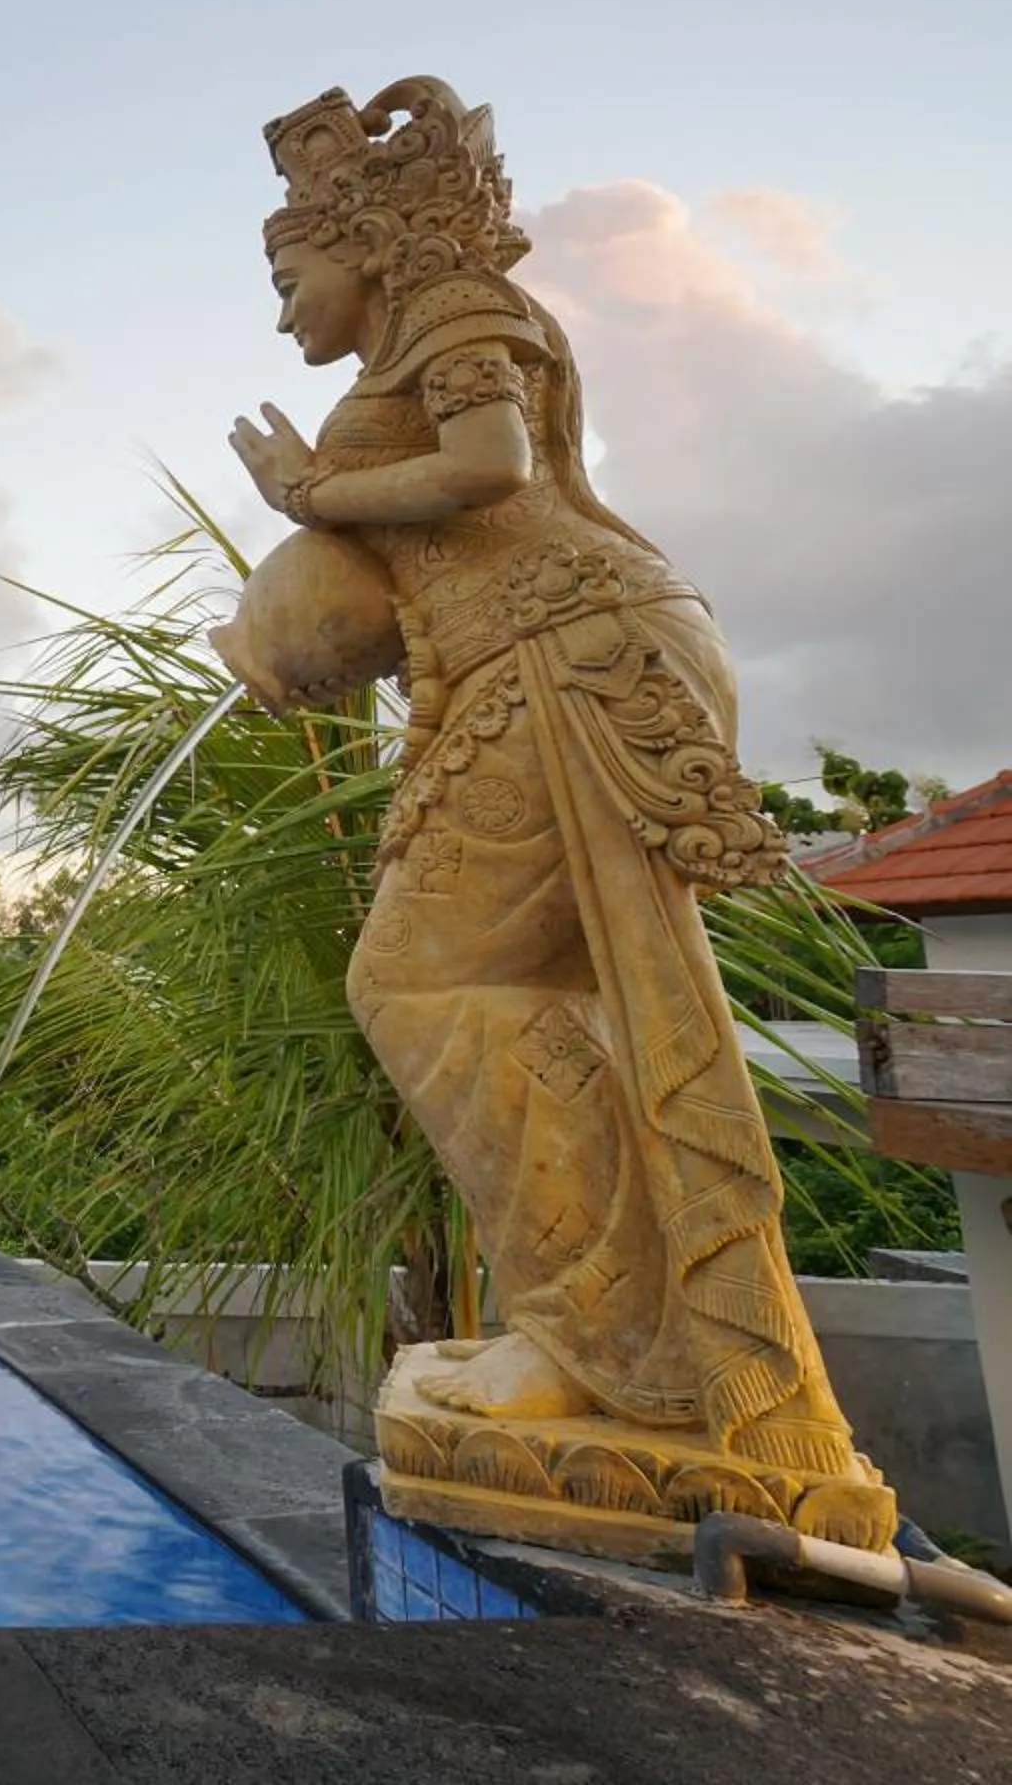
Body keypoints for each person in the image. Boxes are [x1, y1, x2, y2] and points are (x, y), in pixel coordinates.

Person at [217, 78, 858, 1481]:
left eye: (288, 274)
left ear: (366, 248)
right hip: (526, 663)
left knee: (418, 981)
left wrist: (311, 500)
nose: (281, 312)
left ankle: (621, 1345)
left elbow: (491, 467)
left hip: (573, 653)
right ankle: (644, 1349)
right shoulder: (403, 348)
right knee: (528, 994)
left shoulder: (451, 312)